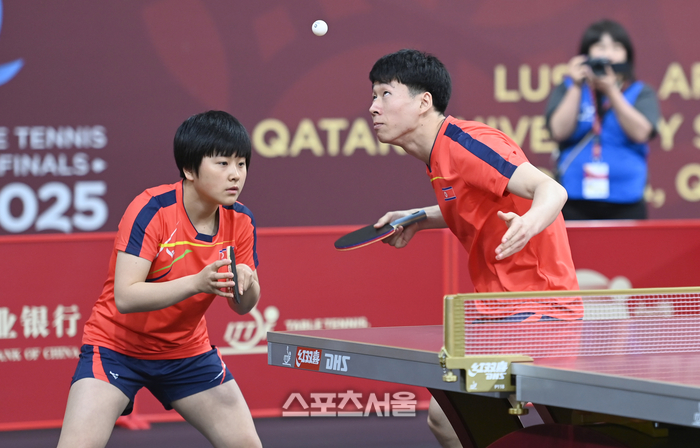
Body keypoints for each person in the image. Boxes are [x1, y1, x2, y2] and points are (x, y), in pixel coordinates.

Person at [368, 49, 581, 448]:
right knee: (456, 419)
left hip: (537, 308)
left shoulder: (467, 143)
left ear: (423, 102)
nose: (373, 107)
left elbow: (551, 189)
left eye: (385, 94)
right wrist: (419, 217)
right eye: (373, 96)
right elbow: (471, 201)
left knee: (456, 417)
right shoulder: (437, 157)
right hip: (499, 310)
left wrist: (528, 224)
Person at [57, 111, 262, 448]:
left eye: (241, 164)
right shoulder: (151, 209)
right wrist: (197, 283)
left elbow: (243, 307)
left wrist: (248, 281)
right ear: (189, 169)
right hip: (116, 348)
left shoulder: (240, 220)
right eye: (223, 163)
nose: (235, 175)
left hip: (187, 352)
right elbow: (126, 296)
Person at [546, 19, 660, 220]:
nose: (608, 54)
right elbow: (558, 131)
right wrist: (576, 86)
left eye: (616, 47)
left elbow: (641, 133)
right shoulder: (569, 88)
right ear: (586, 54)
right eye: (600, 47)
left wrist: (611, 91)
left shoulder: (640, 92)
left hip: (627, 198)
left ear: (627, 54)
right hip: (573, 197)